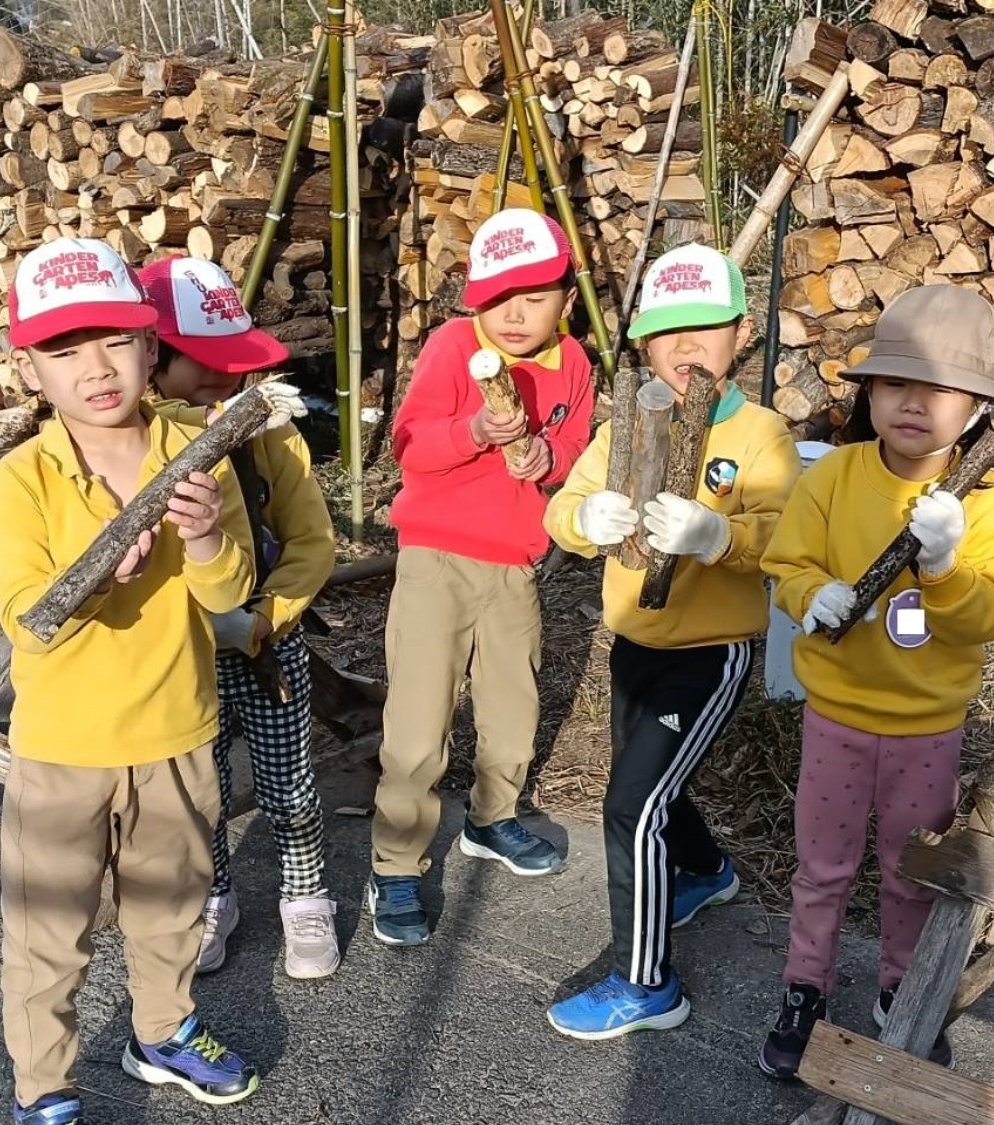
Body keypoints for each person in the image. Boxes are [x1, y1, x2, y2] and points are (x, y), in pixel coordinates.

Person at [0, 237, 290, 1123]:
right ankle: (43, 1084)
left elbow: (231, 594)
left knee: (172, 907)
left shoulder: (199, 447)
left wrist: (203, 539)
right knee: (50, 933)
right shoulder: (24, 477)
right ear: (31, 369)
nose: (96, 369)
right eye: (65, 350)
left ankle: (162, 1026)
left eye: (116, 341)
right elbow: (23, 617)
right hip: (63, 750)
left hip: (177, 732)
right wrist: (89, 583)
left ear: (152, 345)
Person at [754, 284, 994, 1078]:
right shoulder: (835, 477)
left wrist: (942, 567)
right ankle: (805, 986)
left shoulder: (990, 506)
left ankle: (898, 991)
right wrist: (813, 596)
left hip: (926, 726)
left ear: (978, 407)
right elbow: (787, 563)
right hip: (835, 715)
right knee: (823, 865)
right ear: (869, 391)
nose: (915, 404)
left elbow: (990, 617)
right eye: (896, 382)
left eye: (941, 389)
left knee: (913, 870)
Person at [541, 244, 800, 1039]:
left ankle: (647, 983)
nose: (686, 346)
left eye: (706, 328)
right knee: (653, 778)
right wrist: (583, 521)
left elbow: (785, 535)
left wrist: (719, 532)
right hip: (634, 639)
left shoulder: (761, 434)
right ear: (643, 346)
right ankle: (707, 870)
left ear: (743, 331)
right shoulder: (630, 424)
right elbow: (566, 504)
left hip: (710, 649)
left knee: (634, 803)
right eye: (667, 331)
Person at [368, 207, 596, 946]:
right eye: (498, 299)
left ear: (567, 295)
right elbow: (409, 444)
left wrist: (546, 461)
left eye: (534, 297)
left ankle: (493, 817)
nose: (515, 314)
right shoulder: (451, 345)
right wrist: (471, 433)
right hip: (434, 555)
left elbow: (573, 448)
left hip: (514, 561)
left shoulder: (574, 365)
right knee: (419, 718)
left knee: (512, 703)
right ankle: (396, 863)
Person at [138, 254, 339, 980]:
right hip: (179, 657)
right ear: (151, 356)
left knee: (289, 786)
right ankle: (215, 891)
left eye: (236, 362)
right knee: (200, 793)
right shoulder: (129, 444)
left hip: (263, 643)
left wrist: (268, 614)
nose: (225, 378)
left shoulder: (264, 430)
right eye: (204, 362)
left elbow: (312, 539)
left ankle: (305, 892)